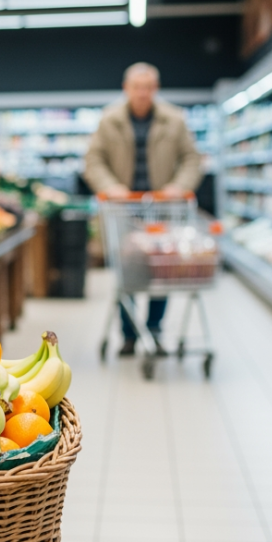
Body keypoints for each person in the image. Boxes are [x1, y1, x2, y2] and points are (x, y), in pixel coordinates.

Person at [83, 62, 202, 357]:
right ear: (127, 88)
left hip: (163, 209)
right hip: (123, 211)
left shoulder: (174, 120)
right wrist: (110, 186)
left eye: (148, 88)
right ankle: (129, 334)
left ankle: (155, 329)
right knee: (130, 272)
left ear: (155, 89)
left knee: (162, 271)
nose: (142, 93)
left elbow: (192, 159)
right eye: (137, 87)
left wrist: (178, 186)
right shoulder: (109, 120)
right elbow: (93, 161)